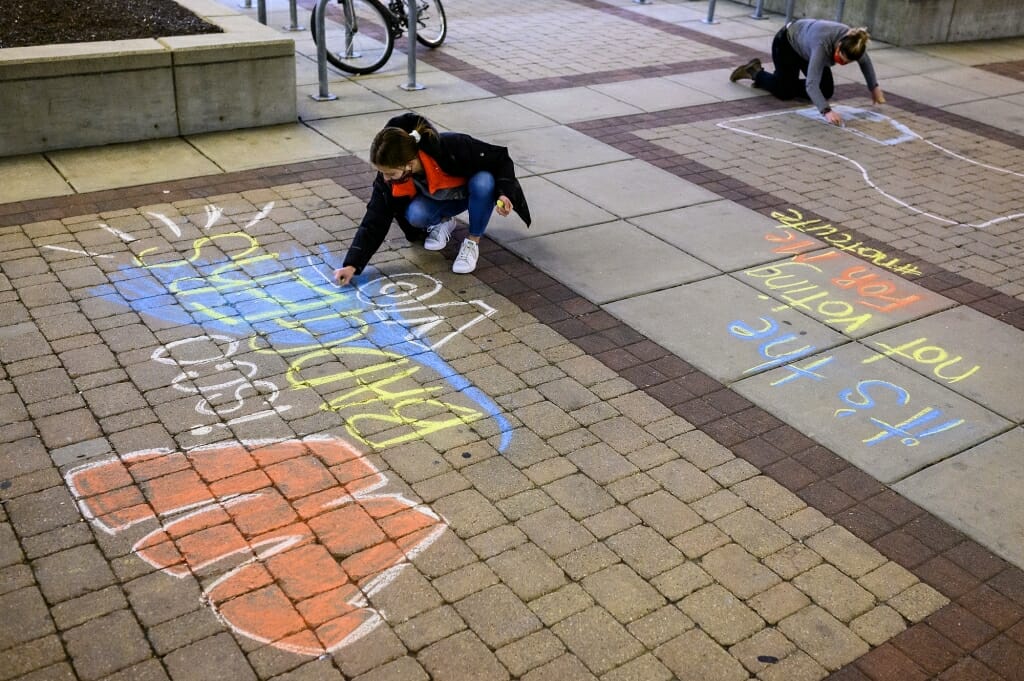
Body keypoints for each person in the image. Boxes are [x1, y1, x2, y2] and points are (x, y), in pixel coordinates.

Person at [333, 112, 531, 284]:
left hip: (470, 193)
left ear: (409, 164)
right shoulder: (390, 177)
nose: (386, 179)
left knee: (484, 181)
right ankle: (444, 222)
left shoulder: (453, 146)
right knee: (416, 214)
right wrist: (352, 265)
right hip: (441, 199)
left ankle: (472, 242)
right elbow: (375, 218)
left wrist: (504, 194)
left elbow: (499, 159)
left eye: (391, 174)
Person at [730, 19, 885, 126]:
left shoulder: (855, 42)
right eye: (839, 58)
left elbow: (865, 62)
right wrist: (826, 111)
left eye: (845, 62)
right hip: (787, 43)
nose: (841, 62)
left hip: (806, 49)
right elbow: (811, 84)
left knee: (825, 90)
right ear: (838, 45)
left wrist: (874, 88)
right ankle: (754, 72)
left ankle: (783, 80)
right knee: (785, 91)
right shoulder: (822, 44)